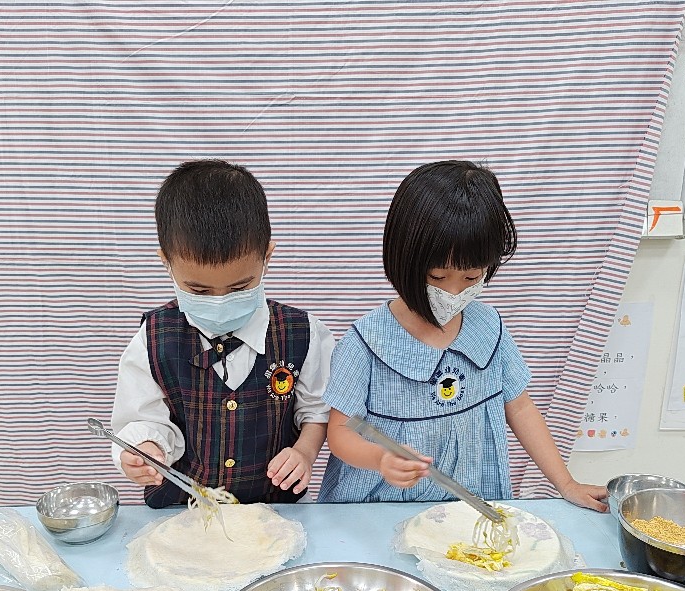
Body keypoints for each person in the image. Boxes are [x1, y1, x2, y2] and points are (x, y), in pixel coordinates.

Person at [317, 160, 607, 511]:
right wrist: (380, 458)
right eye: (438, 277)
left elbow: (520, 406)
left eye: (471, 277)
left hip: (468, 508)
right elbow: (341, 431)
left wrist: (566, 483)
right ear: (402, 259)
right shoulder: (366, 342)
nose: (453, 292)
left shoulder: (489, 327)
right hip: (379, 510)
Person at [110, 159, 334, 508]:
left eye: (240, 287)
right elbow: (142, 418)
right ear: (166, 262)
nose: (220, 301)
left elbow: (317, 411)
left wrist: (304, 452)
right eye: (199, 290)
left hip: (276, 508)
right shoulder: (152, 339)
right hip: (183, 510)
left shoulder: (304, 334)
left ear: (267, 256)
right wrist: (146, 449)